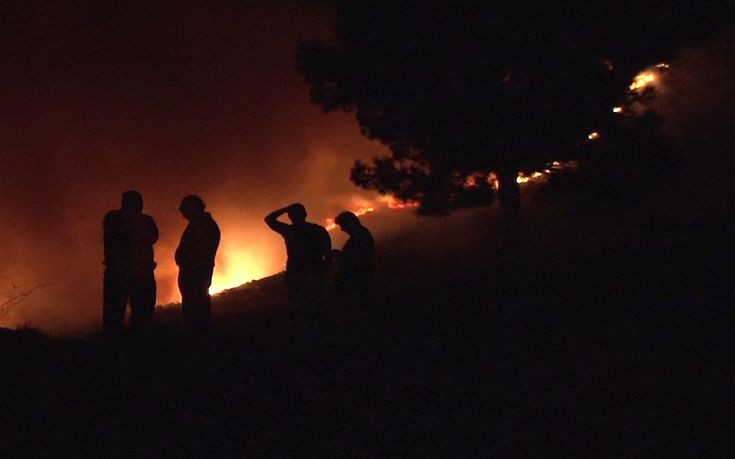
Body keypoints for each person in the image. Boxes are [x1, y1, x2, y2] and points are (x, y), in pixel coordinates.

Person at [102, 190, 159, 339]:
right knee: (142, 316)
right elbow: (153, 237)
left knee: (114, 316)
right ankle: (137, 350)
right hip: (140, 274)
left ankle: (115, 350)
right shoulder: (145, 221)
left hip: (119, 275)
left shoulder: (113, 219)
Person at [265, 203, 331, 312]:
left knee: (298, 308)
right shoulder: (318, 230)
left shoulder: (289, 231)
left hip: (295, 273)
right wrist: (323, 273)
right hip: (314, 272)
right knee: (317, 307)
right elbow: (328, 253)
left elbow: (269, 219)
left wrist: (285, 209)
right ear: (305, 214)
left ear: (290, 217)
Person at [175, 195, 220, 332]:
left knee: (196, 311)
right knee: (196, 308)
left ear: (193, 207)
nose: (182, 213)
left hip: (196, 275)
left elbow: (200, 252)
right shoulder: (201, 224)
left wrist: (186, 261)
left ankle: (199, 340)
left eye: (184, 208)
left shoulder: (202, 226)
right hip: (195, 274)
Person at [333, 211, 375, 307]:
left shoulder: (360, 237)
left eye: (343, 225)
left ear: (350, 223)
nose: (342, 229)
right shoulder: (361, 235)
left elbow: (357, 259)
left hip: (357, 283)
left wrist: (341, 256)